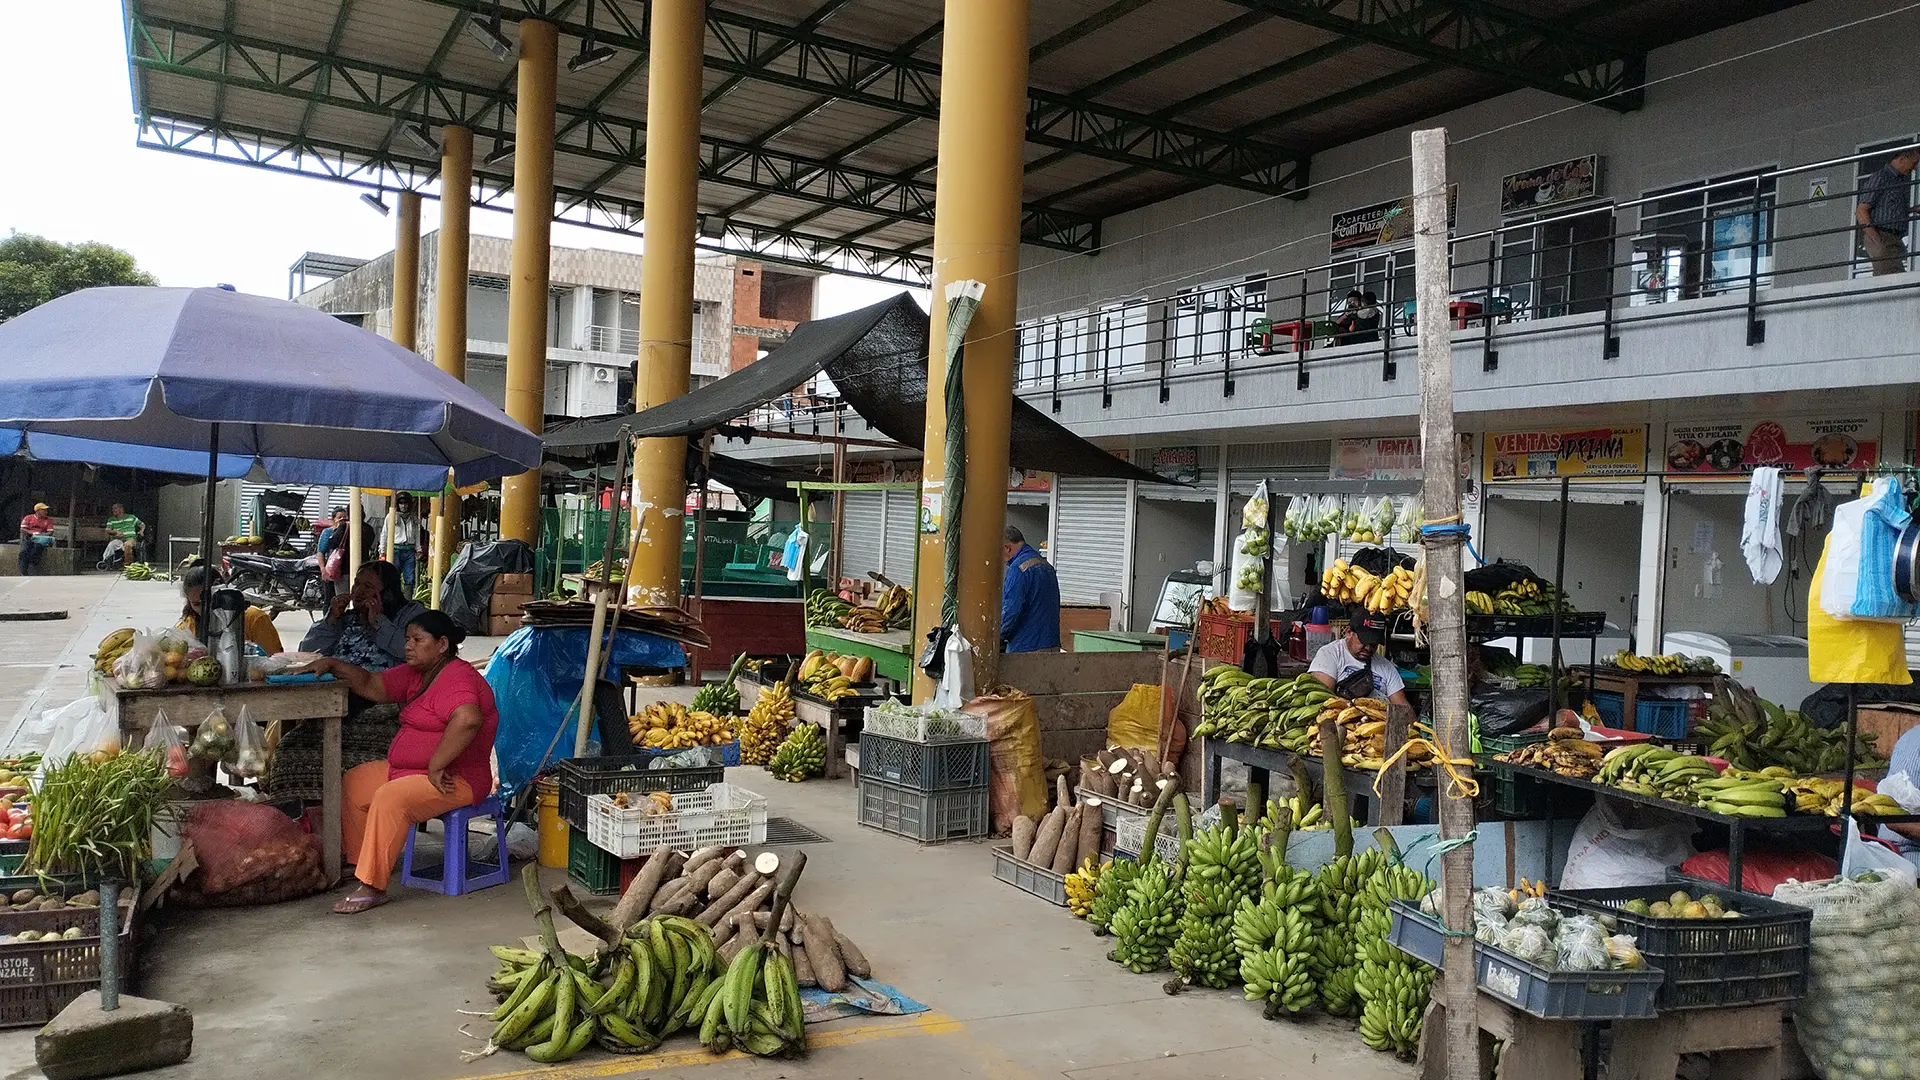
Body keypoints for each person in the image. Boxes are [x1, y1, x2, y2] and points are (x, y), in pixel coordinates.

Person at [310, 610, 498, 913]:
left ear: (441, 645)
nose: (408, 646)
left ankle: (372, 886)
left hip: (456, 779)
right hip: (413, 771)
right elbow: (371, 683)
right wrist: (334, 664)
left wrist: (437, 765)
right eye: (407, 639)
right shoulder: (419, 673)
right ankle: (361, 863)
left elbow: (468, 719)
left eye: (417, 640)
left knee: (391, 797)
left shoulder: (458, 677)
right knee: (355, 782)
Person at [300, 560, 425, 671]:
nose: (358, 591)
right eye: (357, 583)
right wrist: (330, 620)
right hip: (337, 690)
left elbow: (416, 653)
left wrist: (379, 623)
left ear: (387, 594)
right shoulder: (347, 618)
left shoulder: (410, 614)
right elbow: (305, 652)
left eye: (368, 587)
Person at [1307, 606, 1411, 707]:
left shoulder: (1387, 668)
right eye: (1364, 641)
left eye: (1374, 644)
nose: (1368, 648)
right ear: (1348, 632)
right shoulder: (1329, 654)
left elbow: (1403, 709)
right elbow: (1322, 700)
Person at [178, 565, 284, 654]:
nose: (204, 610)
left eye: (209, 602)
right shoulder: (185, 628)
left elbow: (276, 660)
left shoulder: (254, 618)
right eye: (196, 604)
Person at [1857, 148, 1919, 276]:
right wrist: (1875, 238)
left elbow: (1889, 209)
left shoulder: (1897, 181)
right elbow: (1861, 210)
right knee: (1890, 275)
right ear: (1902, 159)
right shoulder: (1881, 177)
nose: (1914, 168)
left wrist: (1912, 209)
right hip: (1882, 235)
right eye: (1914, 163)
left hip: (1893, 237)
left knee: (1891, 273)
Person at [1000, 526, 1061, 653]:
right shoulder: (1046, 566)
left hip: (1026, 647)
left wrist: (997, 639)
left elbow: (1011, 611)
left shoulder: (1017, 570)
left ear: (1007, 547)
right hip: (1052, 644)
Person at [387, 493, 421, 591]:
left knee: (409, 578)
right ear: (397, 504)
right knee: (394, 577)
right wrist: (382, 550)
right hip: (395, 550)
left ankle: (407, 601)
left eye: (406, 503)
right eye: (401, 503)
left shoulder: (414, 518)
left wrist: (418, 549)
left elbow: (417, 535)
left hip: (409, 550)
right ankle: (394, 600)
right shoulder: (391, 516)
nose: (403, 506)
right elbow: (385, 533)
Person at [98, 503, 145, 570]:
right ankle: (106, 561)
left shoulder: (131, 517)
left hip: (131, 539)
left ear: (121, 509)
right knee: (111, 545)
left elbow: (142, 524)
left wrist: (141, 531)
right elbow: (107, 530)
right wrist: (116, 531)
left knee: (127, 545)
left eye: (115, 508)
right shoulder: (111, 519)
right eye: (112, 509)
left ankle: (127, 566)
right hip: (119, 539)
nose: (113, 510)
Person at [17, 503, 55, 576]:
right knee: (24, 552)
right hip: (29, 538)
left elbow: (50, 532)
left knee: (35, 551)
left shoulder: (48, 520)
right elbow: (22, 529)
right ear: (37, 511)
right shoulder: (28, 518)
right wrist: (32, 532)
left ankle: (32, 571)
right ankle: (23, 572)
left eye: (46, 510)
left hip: (40, 540)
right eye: (44, 510)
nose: (46, 512)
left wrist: (41, 535)